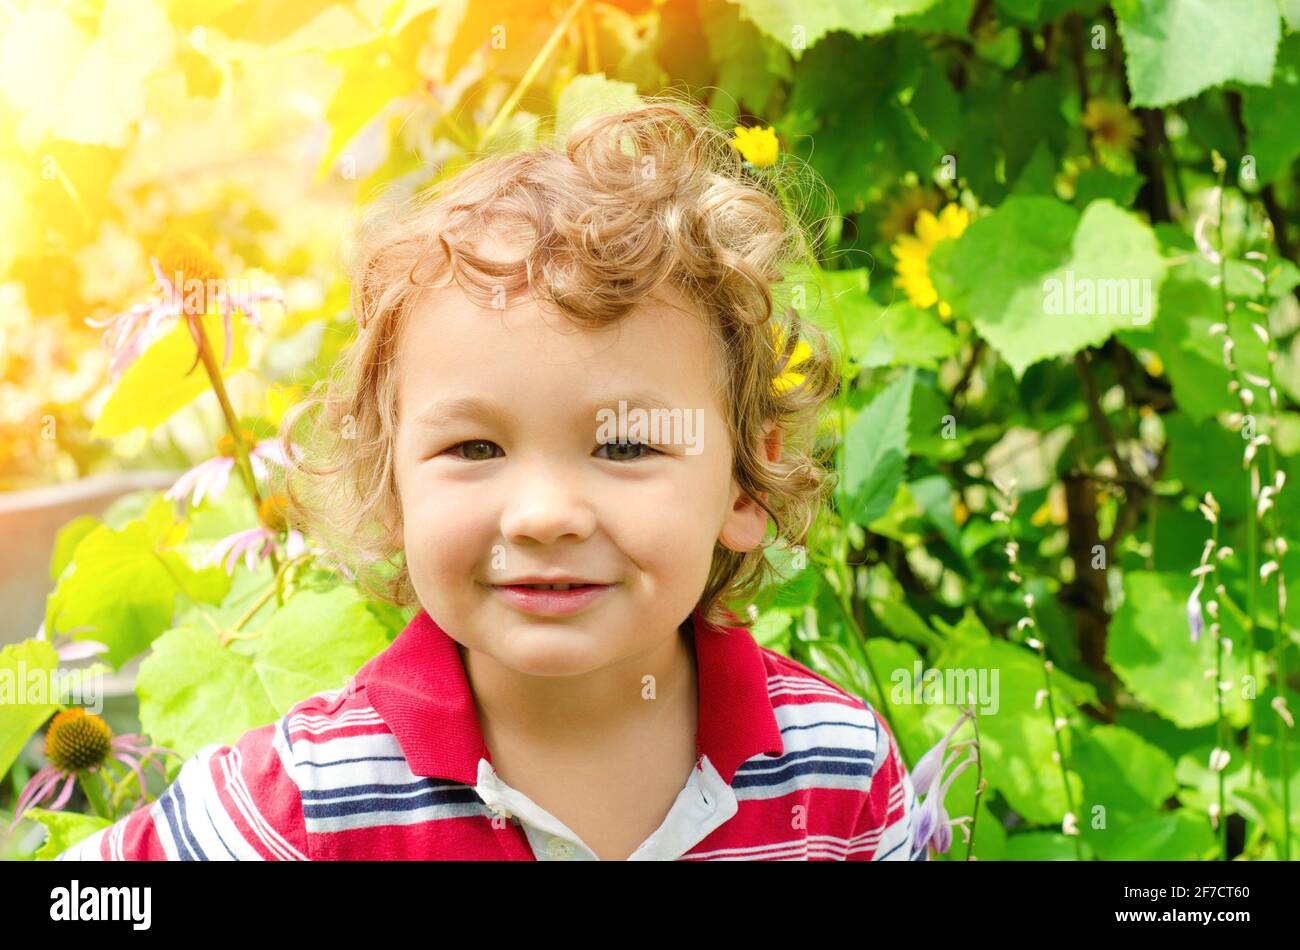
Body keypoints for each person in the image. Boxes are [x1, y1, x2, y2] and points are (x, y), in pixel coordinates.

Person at [57, 97, 926, 861]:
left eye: (625, 447)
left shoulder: (836, 772)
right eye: (475, 449)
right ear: (393, 488)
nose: (544, 515)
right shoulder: (307, 801)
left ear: (744, 482)